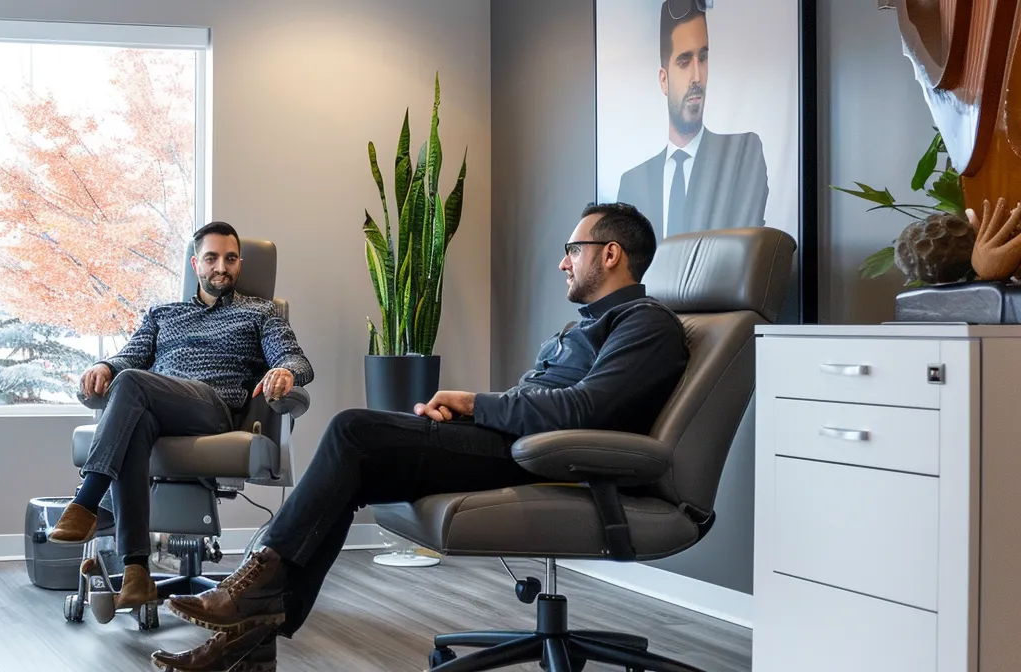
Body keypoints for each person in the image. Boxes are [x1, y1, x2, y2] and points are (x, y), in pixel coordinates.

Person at [149, 203, 690, 672]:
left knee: (352, 429)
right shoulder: (586, 326)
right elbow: (549, 401)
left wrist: (475, 403)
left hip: (553, 459)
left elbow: (587, 409)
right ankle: (248, 642)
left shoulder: (647, 325)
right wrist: (468, 411)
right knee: (352, 469)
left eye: (574, 249)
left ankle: (251, 594)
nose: (562, 261)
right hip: (513, 441)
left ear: (612, 254)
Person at [46, 221, 314, 614]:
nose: (221, 266)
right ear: (195, 264)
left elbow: (296, 360)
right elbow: (129, 358)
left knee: (134, 384)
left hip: (211, 408)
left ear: (239, 264)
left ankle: (87, 502)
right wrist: (105, 366)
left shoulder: (261, 313)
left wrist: (285, 372)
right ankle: (136, 571)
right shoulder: (162, 314)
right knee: (134, 415)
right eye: (211, 258)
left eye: (230, 258)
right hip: (153, 407)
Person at [614, 0, 768, 237]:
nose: (697, 76)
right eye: (684, 62)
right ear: (663, 80)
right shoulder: (631, 183)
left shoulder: (742, 155)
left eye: (703, 58)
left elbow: (742, 253)